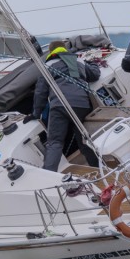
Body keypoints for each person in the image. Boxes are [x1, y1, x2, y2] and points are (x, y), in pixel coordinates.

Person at [29, 40, 101, 171]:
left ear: (51, 52)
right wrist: (92, 63)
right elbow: (95, 75)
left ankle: (50, 177)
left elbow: (41, 92)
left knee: (55, 143)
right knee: (85, 142)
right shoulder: (78, 61)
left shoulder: (48, 65)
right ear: (65, 49)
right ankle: (99, 169)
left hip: (59, 106)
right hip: (81, 105)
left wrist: (35, 113)